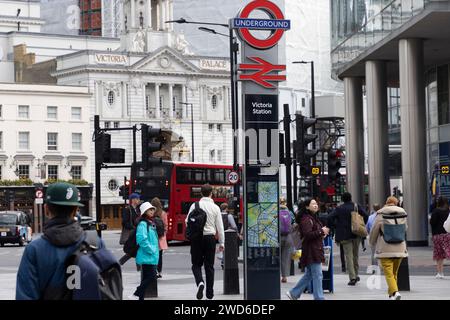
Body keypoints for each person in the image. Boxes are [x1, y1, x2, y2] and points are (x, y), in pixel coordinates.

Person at [16, 182, 105, 299]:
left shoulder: (35, 250)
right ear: (76, 210)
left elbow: (25, 296)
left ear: (46, 209)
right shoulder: (95, 243)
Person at [286, 198, 330, 300]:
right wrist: (321, 231)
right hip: (312, 251)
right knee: (318, 275)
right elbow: (308, 234)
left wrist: (322, 233)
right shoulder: (306, 219)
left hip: (314, 249)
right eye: (313, 204)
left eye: (316, 204)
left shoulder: (312, 217)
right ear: (307, 206)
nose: (315, 205)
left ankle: (293, 293)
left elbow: (313, 234)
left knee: (309, 275)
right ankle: (319, 297)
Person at [186, 184, 224, 300]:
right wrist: (222, 243)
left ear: (201, 193)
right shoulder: (215, 207)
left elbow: (187, 220)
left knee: (196, 265)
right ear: (211, 193)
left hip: (197, 238)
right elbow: (220, 227)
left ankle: (200, 282)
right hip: (210, 238)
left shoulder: (194, 205)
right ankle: (209, 294)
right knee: (209, 266)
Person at [369, 196, 408, 300]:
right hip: (400, 247)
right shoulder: (402, 213)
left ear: (386, 203)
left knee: (389, 273)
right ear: (396, 203)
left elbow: (374, 230)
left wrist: (371, 242)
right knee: (394, 273)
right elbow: (405, 229)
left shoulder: (381, 214)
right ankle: (391, 295)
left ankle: (395, 292)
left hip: (385, 248)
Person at [327, 192, 367, 285]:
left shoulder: (339, 208)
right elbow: (366, 215)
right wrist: (362, 224)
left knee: (348, 256)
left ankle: (352, 277)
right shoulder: (356, 206)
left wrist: (335, 226)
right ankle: (356, 275)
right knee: (355, 255)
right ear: (351, 198)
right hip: (356, 233)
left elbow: (329, 217)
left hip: (344, 235)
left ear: (342, 199)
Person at [129, 202, 159, 300]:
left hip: (150, 256)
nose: (152, 211)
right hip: (147, 255)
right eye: (150, 209)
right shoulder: (143, 224)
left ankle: (139, 297)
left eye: (152, 209)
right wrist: (151, 250)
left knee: (146, 278)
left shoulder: (150, 222)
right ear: (145, 212)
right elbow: (141, 240)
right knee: (151, 276)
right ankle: (136, 294)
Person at [430, 196, 450, 279]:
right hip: (447, 234)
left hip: (437, 235)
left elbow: (432, 222)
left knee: (439, 255)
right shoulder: (448, 211)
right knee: (448, 252)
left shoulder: (436, 211)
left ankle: (440, 273)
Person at [119, 193, 142, 267]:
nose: (139, 200)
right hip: (131, 233)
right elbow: (124, 222)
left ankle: (139, 267)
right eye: (137, 199)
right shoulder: (127, 209)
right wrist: (133, 228)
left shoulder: (138, 209)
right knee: (133, 251)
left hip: (136, 233)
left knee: (136, 251)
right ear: (133, 200)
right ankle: (119, 263)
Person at [151, 197, 168, 279]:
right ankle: (159, 271)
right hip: (161, 237)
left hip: (152, 236)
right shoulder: (163, 213)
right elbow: (166, 226)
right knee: (160, 256)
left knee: (153, 255)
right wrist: (164, 233)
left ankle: (154, 270)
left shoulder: (151, 213)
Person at [279, 197, 295, 283]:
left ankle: (276, 274)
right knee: (285, 257)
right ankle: (284, 276)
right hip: (288, 237)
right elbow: (294, 223)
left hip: (278, 237)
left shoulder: (275, 211)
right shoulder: (289, 212)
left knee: (277, 256)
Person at [366, 204, 381, 271]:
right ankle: (381, 266)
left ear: (373, 209)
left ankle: (374, 267)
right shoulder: (382, 216)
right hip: (380, 237)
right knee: (381, 252)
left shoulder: (370, 217)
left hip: (372, 236)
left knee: (373, 252)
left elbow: (367, 228)